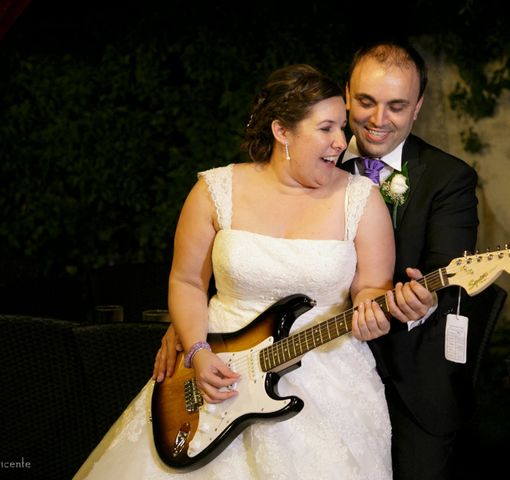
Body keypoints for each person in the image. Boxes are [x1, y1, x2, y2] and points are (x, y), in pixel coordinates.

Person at [74, 63, 422, 479]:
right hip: (214, 370)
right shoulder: (214, 191)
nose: (341, 142)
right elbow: (186, 281)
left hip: (330, 377)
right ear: (282, 132)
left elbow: (371, 287)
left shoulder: (362, 200)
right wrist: (197, 350)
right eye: (326, 128)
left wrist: (375, 308)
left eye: (341, 127)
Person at [341, 41, 479, 480]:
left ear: (417, 108)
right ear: (346, 95)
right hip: (317, 363)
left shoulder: (449, 178)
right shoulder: (314, 166)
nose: (379, 120)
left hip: (409, 375)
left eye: (396, 106)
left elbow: (449, 271)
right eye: (366, 101)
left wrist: (423, 304)